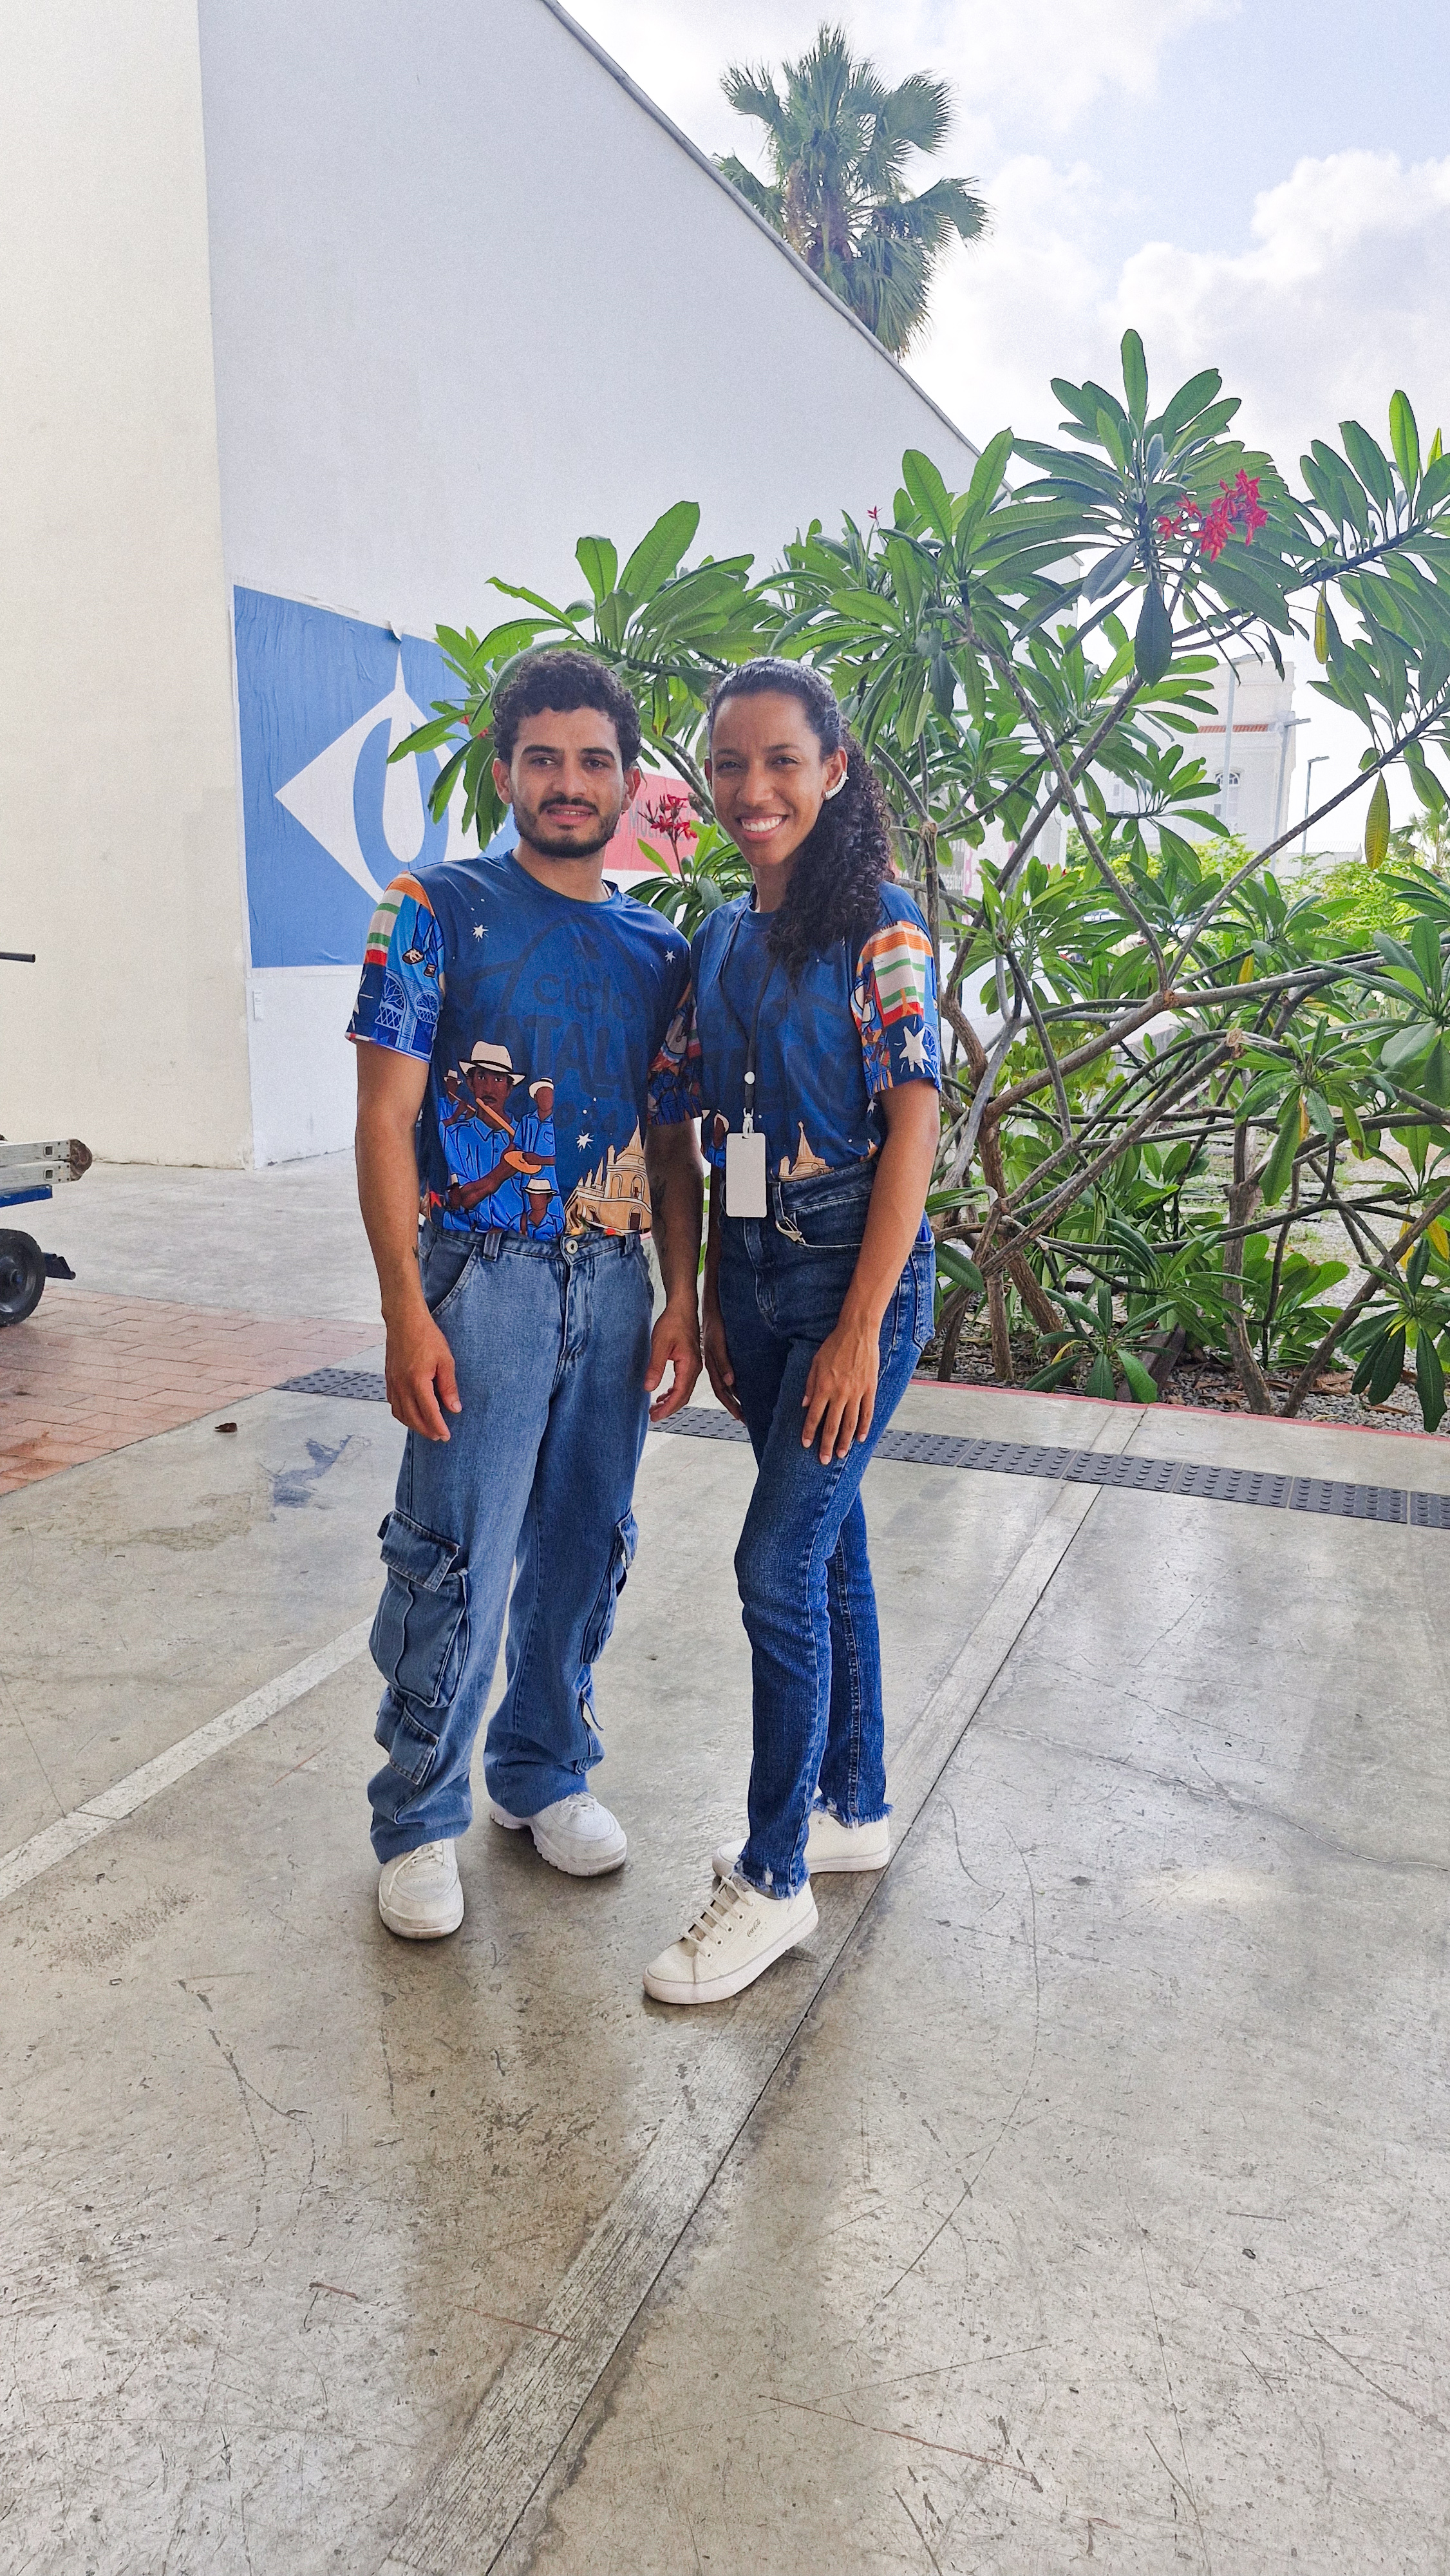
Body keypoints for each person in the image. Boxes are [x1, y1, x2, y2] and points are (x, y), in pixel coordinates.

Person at [350, 650, 704, 1939]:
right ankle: (419, 1815)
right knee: (455, 1549)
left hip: (613, 1283)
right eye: (542, 758)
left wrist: (681, 1296)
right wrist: (405, 1308)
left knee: (582, 1540)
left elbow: (672, 1144)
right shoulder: (429, 909)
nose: (568, 782)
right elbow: (383, 1119)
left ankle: (541, 1769)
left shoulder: (660, 948)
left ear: (627, 781)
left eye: (593, 760)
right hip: (477, 1275)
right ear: (504, 772)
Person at [643, 659, 939, 2005]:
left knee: (774, 1563)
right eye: (729, 763)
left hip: (850, 1289)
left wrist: (859, 1330)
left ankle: (772, 1880)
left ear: (832, 771)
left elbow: (914, 1128)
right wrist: (706, 1293)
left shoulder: (879, 925)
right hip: (757, 1281)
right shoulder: (714, 941)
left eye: (781, 762)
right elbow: (704, 1136)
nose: (752, 789)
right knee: (829, 1542)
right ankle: (850, 1804)